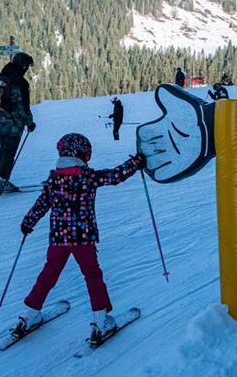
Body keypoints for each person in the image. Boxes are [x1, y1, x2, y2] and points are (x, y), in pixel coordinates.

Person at [14, 133, 145, 342]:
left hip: (58, 239)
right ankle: (101, 320)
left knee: (49, 273)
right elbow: (115, 176)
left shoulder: (54, 179)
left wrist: (28, 222)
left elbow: (41, 204)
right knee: (92, 275)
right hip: (82, 239)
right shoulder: (87, 176)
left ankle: (29, 315)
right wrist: (136, 162)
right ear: (82, 154)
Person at [0, 51, 36, 194]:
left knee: (2, 148)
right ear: (23, 66)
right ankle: (2, 182)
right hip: (13, 123)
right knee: (9, 152)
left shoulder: (0, 77)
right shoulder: (20, 83)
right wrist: (29, 123)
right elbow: (22, 107)